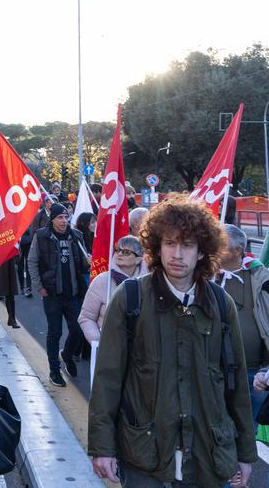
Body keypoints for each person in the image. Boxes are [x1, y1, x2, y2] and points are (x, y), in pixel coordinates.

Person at [88, 194, 256, 487]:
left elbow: (236, 382)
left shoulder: (220, 303)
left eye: (187, 245)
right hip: (145, 457)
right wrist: (102, 447)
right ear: (156, 247)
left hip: (208, 457)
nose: (177, 254)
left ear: (202, 251)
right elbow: (107, 380)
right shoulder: (129, 298)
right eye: (169, 243)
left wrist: (245, 453)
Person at [28, 203, 88, 387]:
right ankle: (54, 371)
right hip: (52, 293)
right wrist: (39, 286)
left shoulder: (76, 236)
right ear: (52, 219)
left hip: (74, 294)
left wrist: (88, 262)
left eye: (65, 217)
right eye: (59, 218)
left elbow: (83, 264)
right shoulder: (41, 236)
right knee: (55, 332)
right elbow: (32, 261)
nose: (63, 221)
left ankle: (67, 355)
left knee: (78, 330)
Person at [215, 224, 269, 425]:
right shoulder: (205, 277)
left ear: (237, 251)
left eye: (220, 245)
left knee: (248, 428)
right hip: (215, 370)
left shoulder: (261, 278)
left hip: (255, 373)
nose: (213, 248)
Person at [77, 235, 144, 344]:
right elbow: (86, 317)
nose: (120, 254)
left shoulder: (147, 283)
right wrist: (98, 342)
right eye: (118, 250)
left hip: (140, 351)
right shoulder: (102, 281)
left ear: (138, 259)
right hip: (109, 348)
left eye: (126, 252)